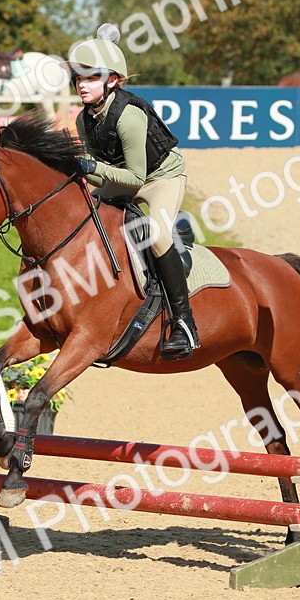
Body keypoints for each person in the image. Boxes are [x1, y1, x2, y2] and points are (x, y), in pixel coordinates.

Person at [62, 24, 199, 361]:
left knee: (157, 234)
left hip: (160, 179)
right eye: (79, 78)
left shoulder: (129, 115)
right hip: (124, 178)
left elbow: (136, 179)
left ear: (112, 80)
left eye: (91, 77)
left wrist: (91, 169)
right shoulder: (85, 119)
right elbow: (99, 172)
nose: (82, 84)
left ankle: (184, 322)